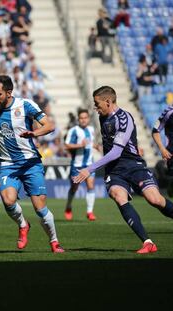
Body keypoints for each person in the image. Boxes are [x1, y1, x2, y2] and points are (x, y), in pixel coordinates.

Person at [0, 75, 64, 253]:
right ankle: (23, 225)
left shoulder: (25, 105)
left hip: (30, 163)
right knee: (8, 201)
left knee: (40, 209)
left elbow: (50, 126)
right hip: (8, 164)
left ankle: (54, 242)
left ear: (9, 93)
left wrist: (34, 133)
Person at [74, 86, 173, 254]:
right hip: (115, 170)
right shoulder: (103, 116)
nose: (95, 108)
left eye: (97, 104)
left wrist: (89, 169)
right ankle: (148, 242)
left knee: (155, 200)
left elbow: (116, 151)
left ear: (108, 102)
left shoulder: (124, 118)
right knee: (119, 196)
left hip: (134, 165)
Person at [64, 109, 97, 221]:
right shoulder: (73, 130)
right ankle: (68, 206)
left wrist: (96, 146)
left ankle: (89, 212)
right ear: (78, 119)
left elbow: (91, 143)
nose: (83, 120)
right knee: (74, 188)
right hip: (77, 165)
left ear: (88, 119)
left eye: (85, 118)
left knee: (91, 185)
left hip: (89, 164)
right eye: (81, 118)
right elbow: (66, 145)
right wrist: (79, 145)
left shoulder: (91, 129)